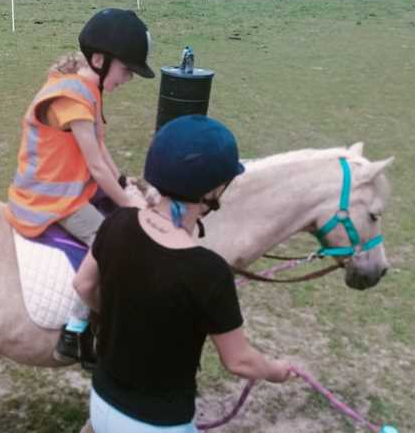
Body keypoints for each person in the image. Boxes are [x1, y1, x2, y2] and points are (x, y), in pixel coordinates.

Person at [73, 115, 295, 432]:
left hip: (101, 404)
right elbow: (238, 361)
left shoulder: (117, 222)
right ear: (214, 189)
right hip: (156, 424)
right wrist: (277, 370)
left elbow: (83, 285)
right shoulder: (207, 271)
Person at [4, 8, 153, 365]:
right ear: (99, 60)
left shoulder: (88, 89)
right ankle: (76, 328)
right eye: (126, 69)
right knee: (111, 243)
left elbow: (101, 151)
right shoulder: (70, 98)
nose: (128, 78)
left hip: (72, 189)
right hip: (51, 199)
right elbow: (97, 166)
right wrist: (129, 203)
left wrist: (124, 185)